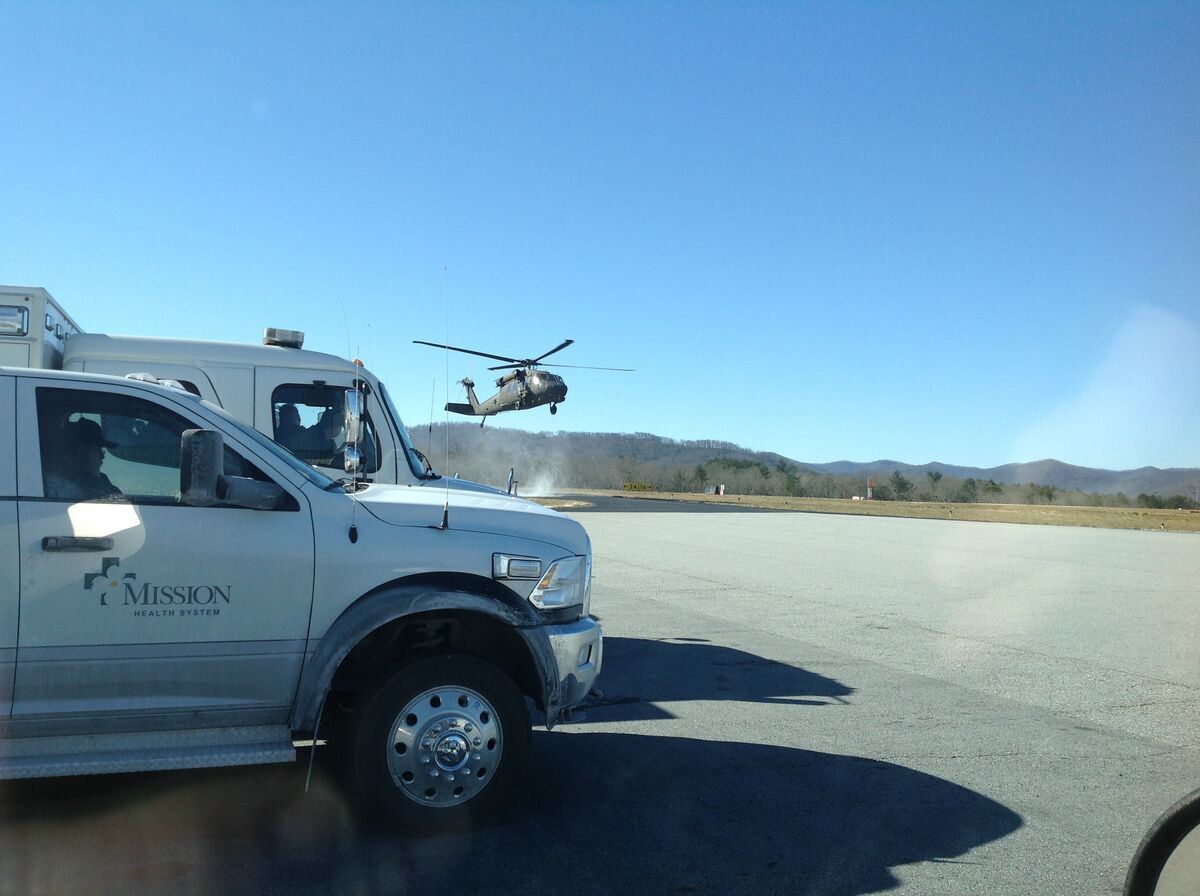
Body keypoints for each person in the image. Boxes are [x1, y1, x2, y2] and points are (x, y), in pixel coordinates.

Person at [44, 419, 123, 501]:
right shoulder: (62, 488)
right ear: (82, 452)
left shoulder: (99, 481)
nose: (102, 456)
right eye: (99, 449)